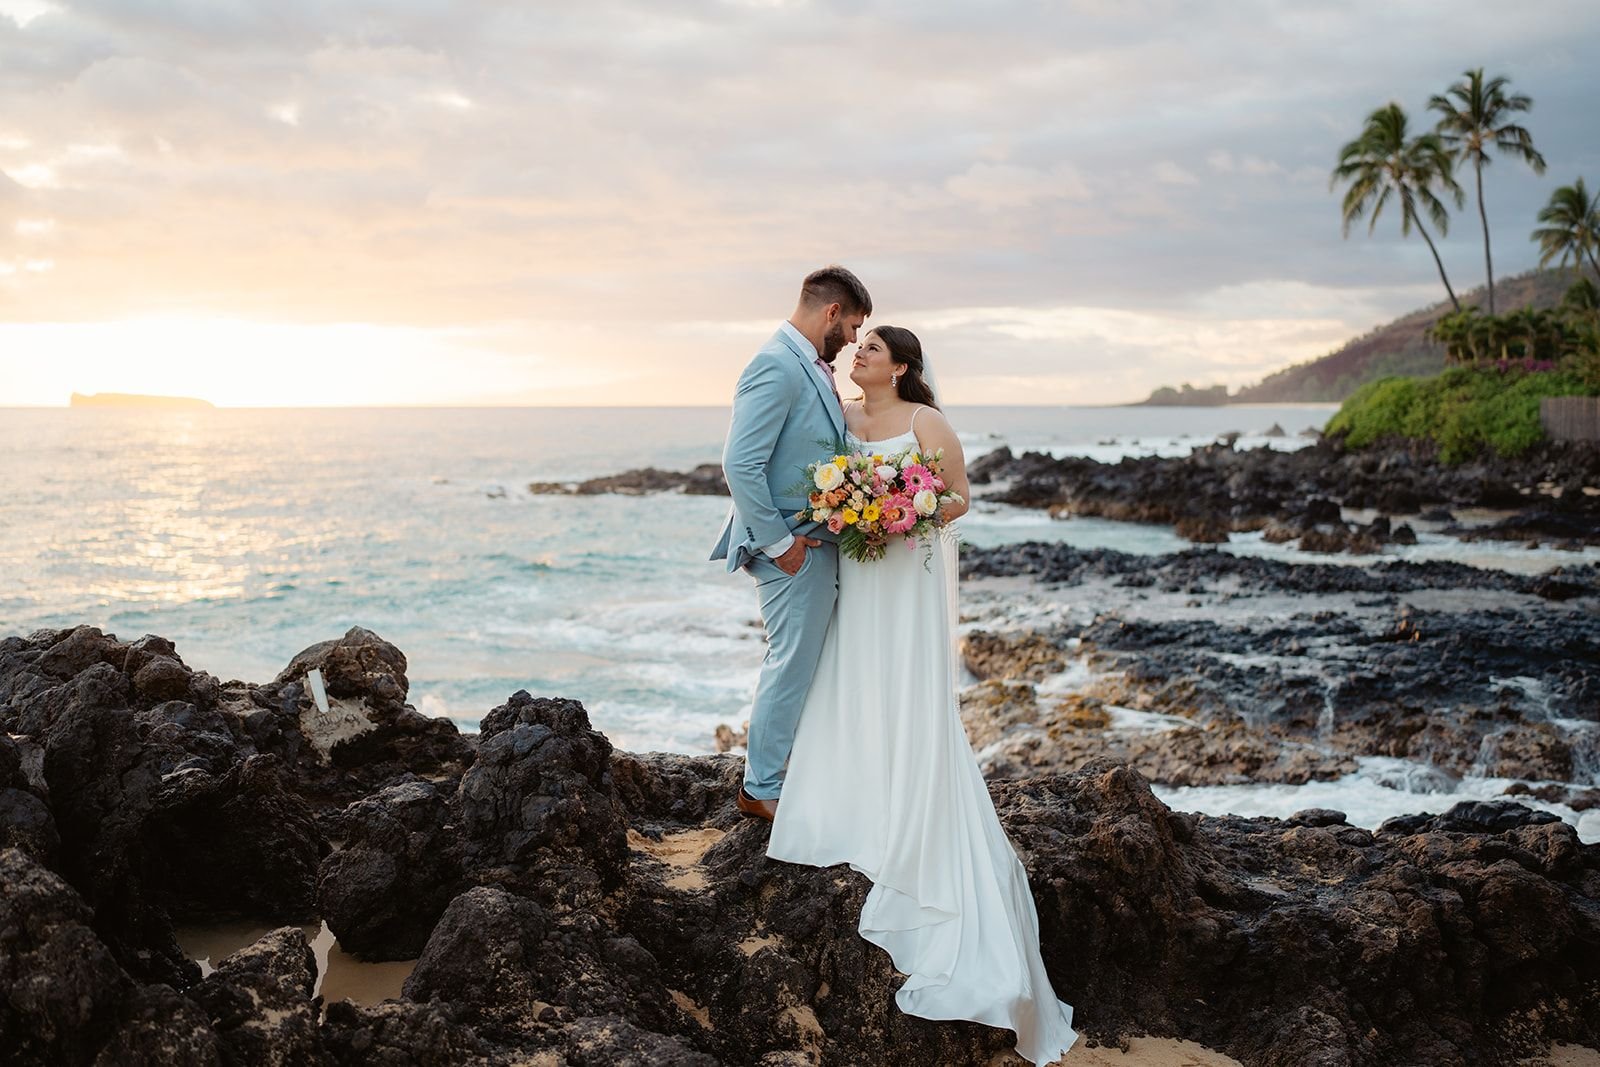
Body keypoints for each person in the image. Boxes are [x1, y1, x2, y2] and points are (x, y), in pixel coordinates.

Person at [764, 325, 1080, 1065]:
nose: (860, 353)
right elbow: (815, 482)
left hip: (906, 572)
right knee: (850, 676)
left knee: (904, 683)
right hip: (860, 572)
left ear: (901, 366)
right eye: (859, 345)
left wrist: (900, 508)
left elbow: (960, 497)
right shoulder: (841, 418)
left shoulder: (923, 421)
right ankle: (857, 794)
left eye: (874, 347)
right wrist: (848, 508)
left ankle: (912, 814)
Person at [710, 265, 871, 817]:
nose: (852, 341)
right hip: (791, 550)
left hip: (819, 543)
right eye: (851, 327)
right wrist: (783, 546)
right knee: (791, 662)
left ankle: (787, 773)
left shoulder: (811, 365)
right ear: (831, 312)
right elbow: (740, 464)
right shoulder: (776, 364)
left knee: (808, 663)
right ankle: (762, 790)